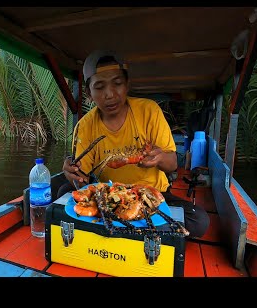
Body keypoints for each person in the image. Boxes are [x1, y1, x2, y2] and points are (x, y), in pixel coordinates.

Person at [57, 49, 209, 238]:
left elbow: (172, 165)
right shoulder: (86, 125)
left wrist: (159, 157)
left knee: (199, 221)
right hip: (109, 194)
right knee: (63, 191)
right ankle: (141, 233)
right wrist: (71, 173)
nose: (110, 94)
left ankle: (111, 230)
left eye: (117, 83)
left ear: (127, 84)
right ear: (89, 92)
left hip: (150, 195)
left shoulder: (149, 111)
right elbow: (82, 179)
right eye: (99, 87)